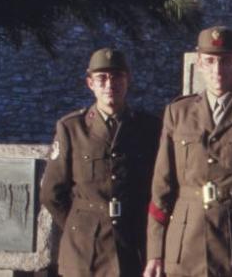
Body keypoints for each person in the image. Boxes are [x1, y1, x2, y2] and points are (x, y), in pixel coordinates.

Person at [144, 27, 232, 277]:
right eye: (210, 61)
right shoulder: (178, 112)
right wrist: (155, 252)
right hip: (183, 247)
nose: (217, 70)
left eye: (226, 61)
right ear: (199, 63)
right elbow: (161, 189)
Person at [40, 48, 161, 277]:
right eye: (102, 78)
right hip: (85, 252)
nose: (109, 84)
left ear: (128, 80)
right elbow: (51, 193)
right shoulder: (72, 128)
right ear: (90, 83)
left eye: (117, 77)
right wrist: (81, 226)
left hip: (133, 244)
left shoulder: (148, 128)